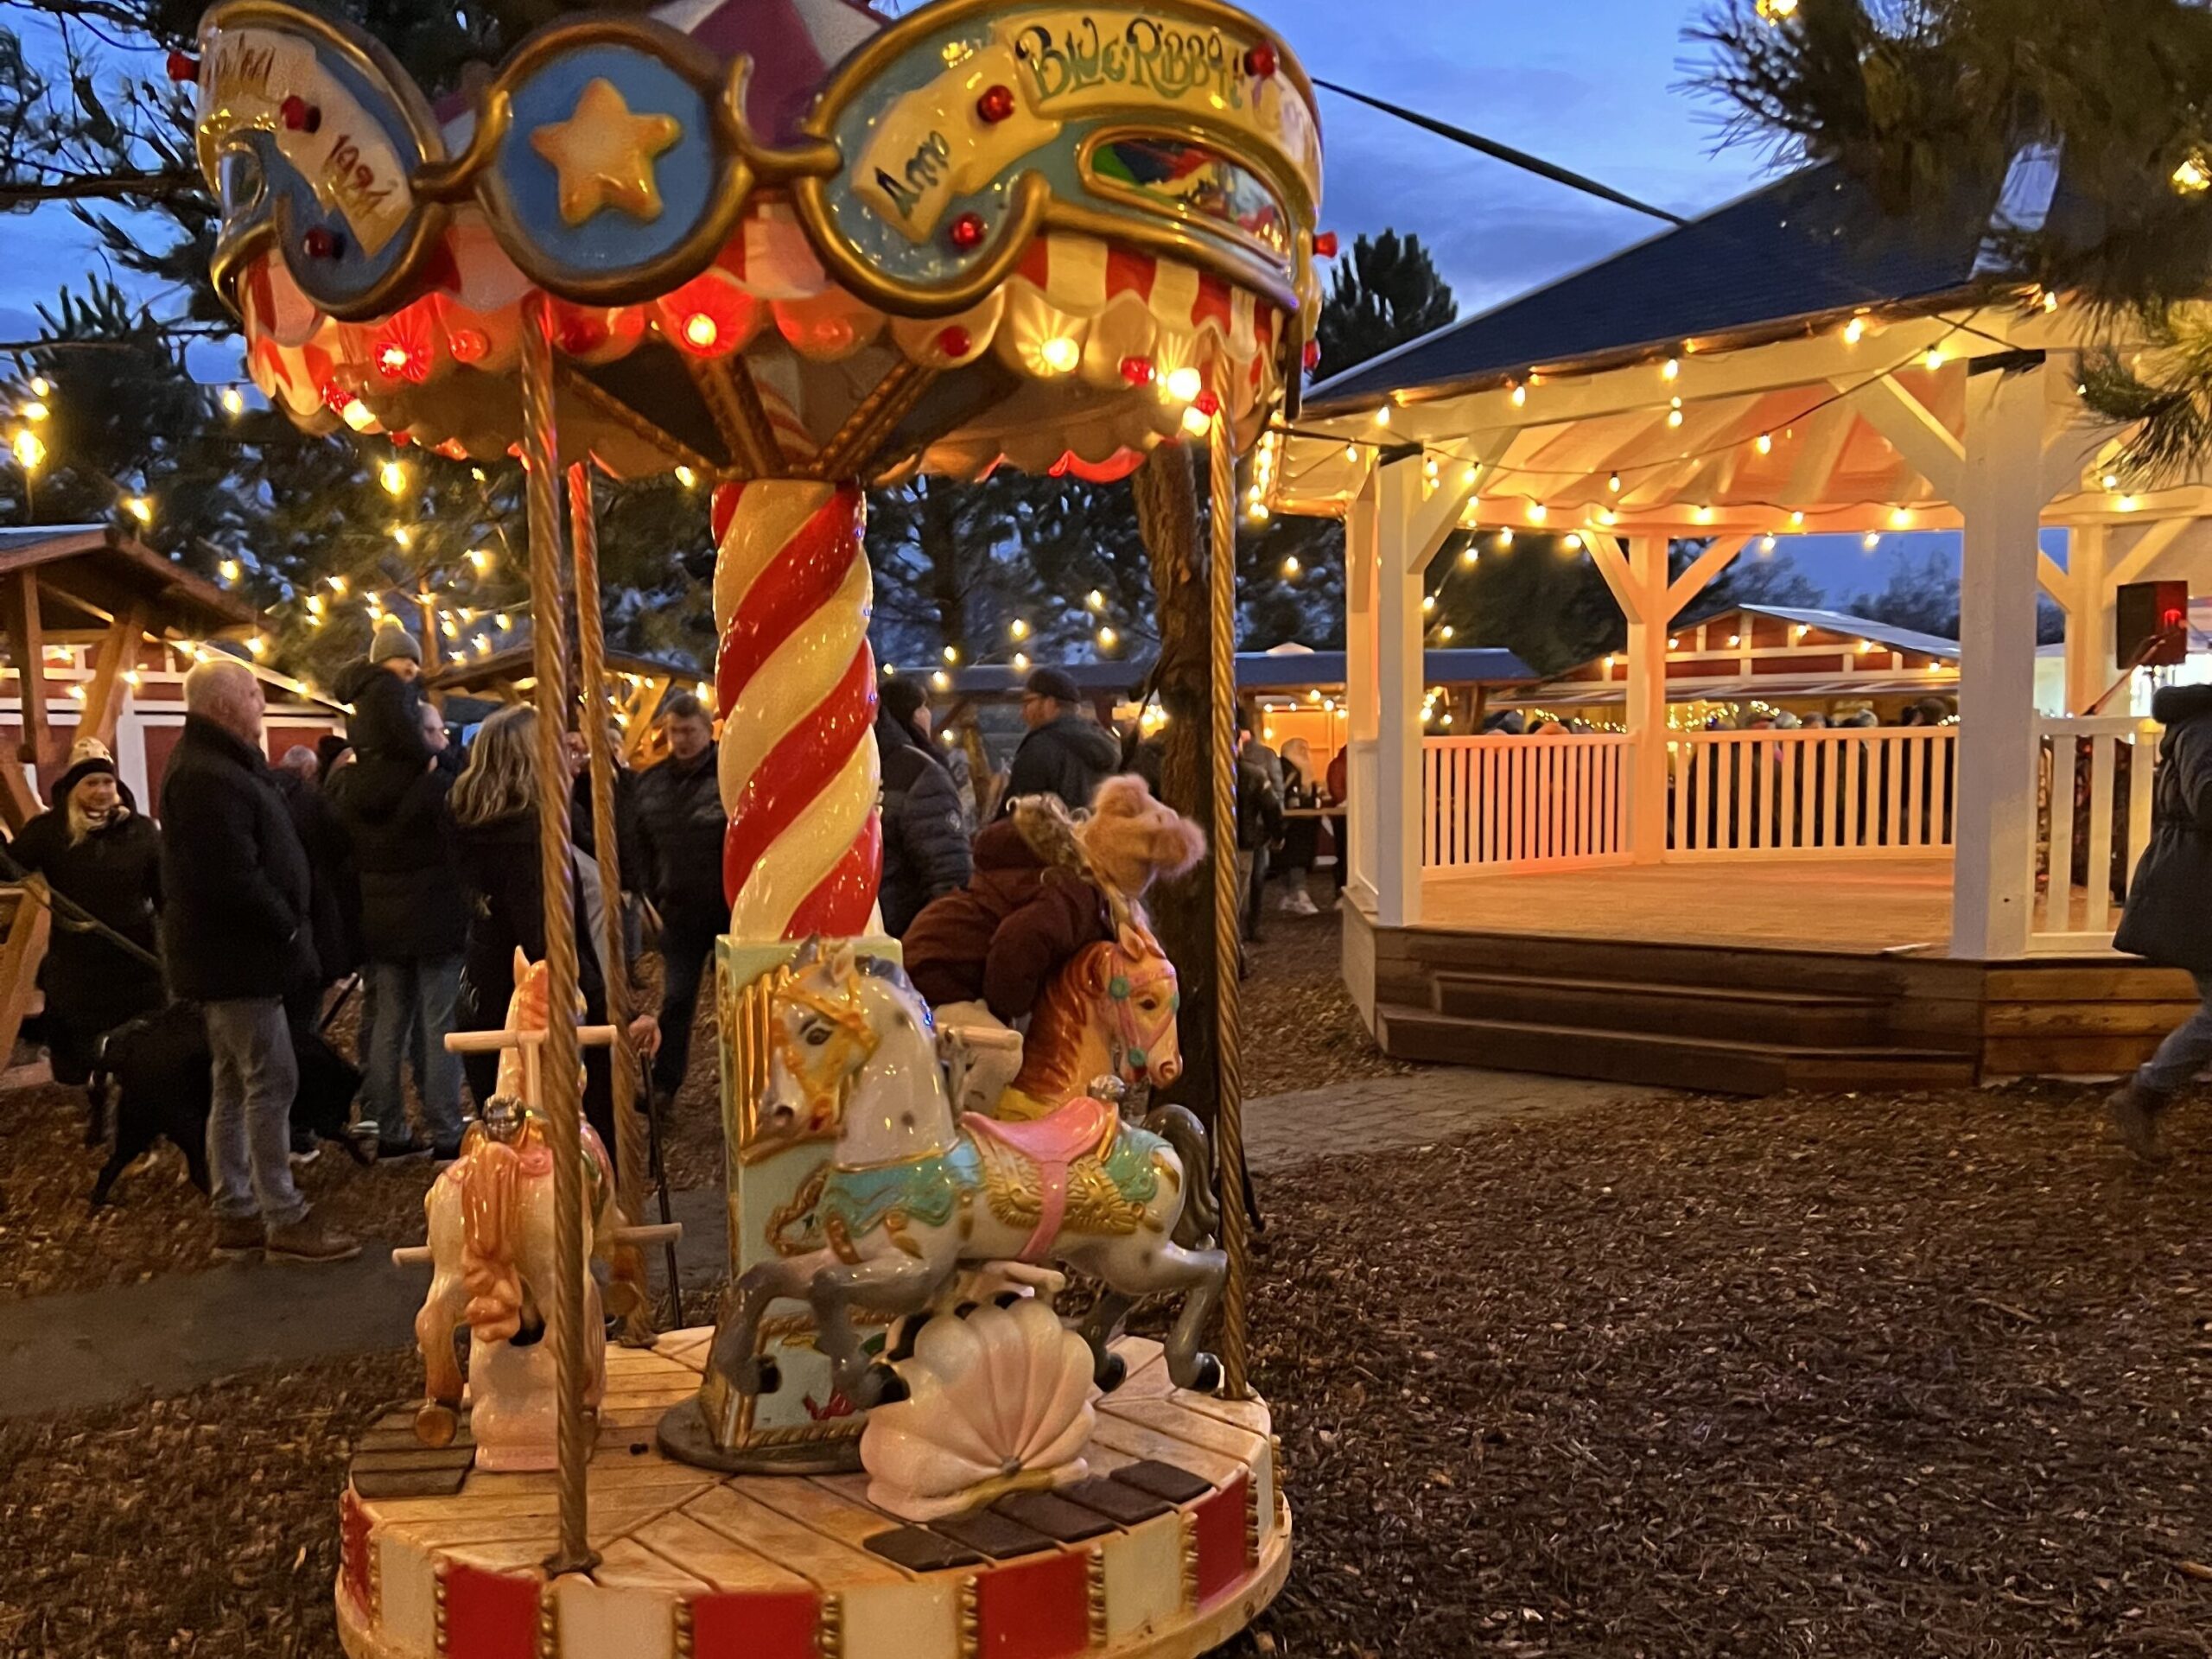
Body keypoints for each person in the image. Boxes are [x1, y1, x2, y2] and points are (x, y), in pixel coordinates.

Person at [159, 658, 358, 1262]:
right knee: (271, 1080)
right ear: (221, 705)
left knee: (233, 1082)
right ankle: (282, 1214)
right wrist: (289, 930)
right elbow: (230, 876)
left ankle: (237, 1210)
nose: (260, 703)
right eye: (251, 693)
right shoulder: (206, 776)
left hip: (234, 960)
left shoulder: (218, 766)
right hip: (241, 960)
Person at [449, 705, 659, 1157]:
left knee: (508, 1149)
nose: (572, 763)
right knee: (561, 1150)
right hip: (536, 1015)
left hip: (482, 997)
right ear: (535, 761)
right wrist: (613, 1015)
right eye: (560, 753)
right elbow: (552, 948)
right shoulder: (530, 843)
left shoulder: (478, 830)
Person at [905, 776, 1201, 1023]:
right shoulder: (1076, 897)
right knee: (1001, 1056)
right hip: (943, 969)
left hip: (938, 954)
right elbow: (1018, 942)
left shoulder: (1069, 884)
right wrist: (1010, 1012)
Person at [327, 688, 469, 1160]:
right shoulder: (430, 780)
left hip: (380, 918)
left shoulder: (356, 783)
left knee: (388, 1026)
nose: (439, 738)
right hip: (433, 917)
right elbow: (450, 836)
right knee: (439, 1026)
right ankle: (447, 1128)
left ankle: (388, 1126)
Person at [7, 740, 163, 1088]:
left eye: (107, 782)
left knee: (142, 1050)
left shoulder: (140, 831)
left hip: (135, 957)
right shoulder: (50, 832)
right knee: (78, 1054)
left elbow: (163, 891)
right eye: (91, 783)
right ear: (74, 788)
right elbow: (12, 868)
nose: (102, 790)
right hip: (79, 963)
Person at [2108, 684, 2212, 1160]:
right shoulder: (2203, 729)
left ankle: (2145, 1096)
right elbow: (2207, 800)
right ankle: (2144, 1095)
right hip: (2197, 888)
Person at [630, 692, 723, 1103]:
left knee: (740, 997)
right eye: (674, 731)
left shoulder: (730, 774)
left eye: (689, 731)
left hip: (728, 905)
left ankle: (747, 1077)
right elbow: (639, 845)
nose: (681, 739)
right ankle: (665, 1084)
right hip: (679, 908)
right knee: (677, 998)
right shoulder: (650, 784)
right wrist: (649, 892)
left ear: (707, 730)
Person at [876, 677, 972, 936]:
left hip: (905, 937)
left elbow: (950, 874)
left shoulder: (918, 772)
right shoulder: (866, 765)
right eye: (924, 706)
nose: (928, 714)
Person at [1002, 667, 1120, 813]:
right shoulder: (1106, 743)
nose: (1023, 713)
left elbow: (1019, 814)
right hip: (1096, 834)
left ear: (1050, 703)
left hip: (1053, 835)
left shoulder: (1040, 748)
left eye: (1028, 702)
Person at [1235, 739, 1285, 944]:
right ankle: (1245, 934)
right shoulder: (1253, 774)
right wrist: (1277, 835)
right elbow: (1271, 807)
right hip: (1246, 841)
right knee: (1242, 892)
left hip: (1211, 845)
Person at [1274, 736, 1323, 917]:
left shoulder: (1289, 769)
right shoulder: (1291, 770)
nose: (1306, 752)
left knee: (1291, 858)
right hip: (1296, 824)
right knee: (1296, 859)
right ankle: (1299, 896)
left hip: (1298, 824)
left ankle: (1290, 896)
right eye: (1301, 748)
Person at [1324, 743, 1349, 904]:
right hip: (1344, 813)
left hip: (1343, 812)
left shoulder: (1337, 764)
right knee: (1345, 851)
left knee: (1344, 851)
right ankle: (1342, 887)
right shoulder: (1341, 765)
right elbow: (1337, 790)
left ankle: (1341, 888)